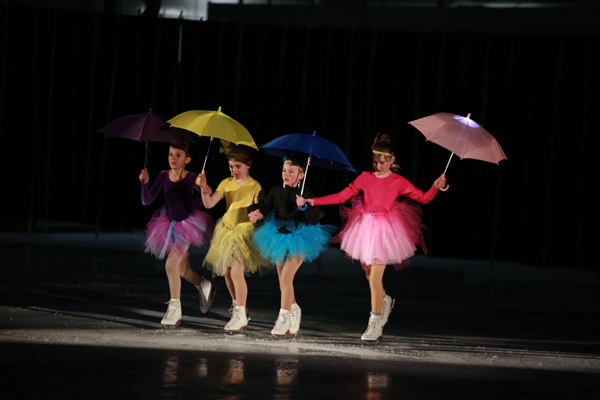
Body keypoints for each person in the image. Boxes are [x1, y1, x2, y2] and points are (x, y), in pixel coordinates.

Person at [296, 139, 449, 343]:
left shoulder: (398, 181)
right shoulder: (365, 177)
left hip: (386, 231)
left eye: (383, 162)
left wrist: (435, 187)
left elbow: (423, 198)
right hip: (365, 228)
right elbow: (342, 196)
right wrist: (312, 201)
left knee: (375, 279)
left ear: (392, 160)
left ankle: (374, 323)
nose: (378, 166)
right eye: (375, 162)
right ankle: (384, 299)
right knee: (370, 278)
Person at [247, 155, 336, 338]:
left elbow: (314, 219)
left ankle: (284, 317)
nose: (286, 174)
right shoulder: (277, 189)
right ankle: (294, 308)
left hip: (300, 238)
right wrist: (255, 211)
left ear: (301, 174)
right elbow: (266, 206)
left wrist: (304, 206)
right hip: (278, 236)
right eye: (284, 171)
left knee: (286, 278)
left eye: (291, 171)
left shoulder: (307, 193)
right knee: (282, 281)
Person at [140, 144, 217, 328]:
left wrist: (204, 187)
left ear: (187, 159)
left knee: (170, 265)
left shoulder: (192, 177)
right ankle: (203, 285)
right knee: (182, 271)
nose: (173, 158)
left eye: (178, 155)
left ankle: (175, 308)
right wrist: (145, 183)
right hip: (167, 225)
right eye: (170, 154)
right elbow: (146, 200)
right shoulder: (162, 175)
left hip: (187, 226)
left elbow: (207, 202)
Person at [198, 144, 269, 333]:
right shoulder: (226, 183)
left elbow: (259, 209)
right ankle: (239, 307)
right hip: (227, 230)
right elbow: (209, 203)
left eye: (238, 166)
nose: (234, 170)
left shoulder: (255, 185)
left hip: (244, 232)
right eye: (231, 166)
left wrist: (257, 215)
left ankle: (240, 314)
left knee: (237, 272)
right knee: (228, 274)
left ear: (248, 165)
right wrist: (204, 188)